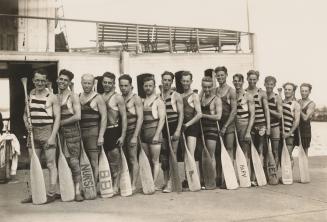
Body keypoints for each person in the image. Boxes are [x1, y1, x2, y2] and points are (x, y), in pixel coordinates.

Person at [21, 69, 60, 203]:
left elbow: (57, 118)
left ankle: (51, 193)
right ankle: (35, 193)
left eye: (42, 80)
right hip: (33, 133)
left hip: (47, 132)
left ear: (46, 81)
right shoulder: (30, 95)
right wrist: (27, 124)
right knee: (33, 164)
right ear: (33, 81)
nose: (40, 83)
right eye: (37, 80)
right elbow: (25, 115)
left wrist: (52, 136)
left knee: (50, 164)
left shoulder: (52, 97)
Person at [57, 69, 83, 201]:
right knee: (61, 161)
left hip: (72, 132)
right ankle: (65, 189)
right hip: (58, 134)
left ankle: (78, 190)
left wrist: (60, 123)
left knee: (73, 161)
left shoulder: (73, 96)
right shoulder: (55, 96)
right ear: (57, 79)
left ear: (69, 82)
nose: (62, 82)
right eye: (61, 79)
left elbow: (78, 116)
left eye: (65, 80)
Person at [101, 72, 127, 195]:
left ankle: (116, 186)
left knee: (114, 161)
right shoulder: (100, 96)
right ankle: (109, 185)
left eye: (109, 83)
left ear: (113, 84)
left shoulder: (117, 97)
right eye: (105, 82)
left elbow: (124, 118)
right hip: (102, 131)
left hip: (113, 130)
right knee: (105, 160)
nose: (107, 85)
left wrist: (122, 135)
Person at [79, 74, 107, 184]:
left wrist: (101, 136)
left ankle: (94, 185)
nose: (86, 85)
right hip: (81, 132)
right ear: (81, 83)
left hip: (93, 132)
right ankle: (87, 185)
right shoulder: (78, 96)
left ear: (93, 84)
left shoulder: (98, 97)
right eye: (84, 83)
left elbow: (104, 117)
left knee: (94, 160)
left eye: (89, 83)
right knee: (83, 160)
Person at [160, 71, 184, 193]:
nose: (167, 82)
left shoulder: (176, 95)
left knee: (172, 155)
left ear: (172, 81)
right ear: (161, 80)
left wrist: (178, 130)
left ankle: (171, 182)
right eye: (165, 80)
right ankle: (165, 181)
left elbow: (181, 114)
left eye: (169, 80)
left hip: (173, 126)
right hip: (162, 128)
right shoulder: (158, 96)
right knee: (164, 156)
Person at [119, 74, 143, 193]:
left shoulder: (135, 98)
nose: (123, 88)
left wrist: (135, 136)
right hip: (122, 132)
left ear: (131, 86)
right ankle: (126, 182)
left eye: (126, 85)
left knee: (133, 158)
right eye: (121, 86)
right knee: (124, 159)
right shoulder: (119, 98)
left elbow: (140, 118)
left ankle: (133, 184)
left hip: (133, 131)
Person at [140, 75, 166, 190]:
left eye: (150, 86)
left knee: (155, 160)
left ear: (154, 86)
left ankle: (153, 184)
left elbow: (162, 119)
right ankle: (149, 182)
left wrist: (156, 135)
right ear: (143, 87)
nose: (148, 88)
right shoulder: (142, 101)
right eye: (146, 86)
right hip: (144, 133)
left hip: (155, 132)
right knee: (147, 160)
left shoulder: (158, 101)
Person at [245, 70, 270, 185]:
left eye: (254, 79)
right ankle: (252, 177)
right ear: (247, 79)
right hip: (250, 126)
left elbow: (266, 111)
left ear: (257, 80)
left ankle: (259, 177)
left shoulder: (262, 93)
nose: (252, 81)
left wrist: (268, 127)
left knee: (260, 151)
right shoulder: (244, 92)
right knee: (251, 152)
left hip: (261, 126)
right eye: (250, 79)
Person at [213, 66, 236, 187]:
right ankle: (219, 177)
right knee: (218, 152)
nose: (220, 77)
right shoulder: (215, 91)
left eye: (222, 75)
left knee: (228, 150)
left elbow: (233, 111)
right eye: (218, 75)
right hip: (217, 124)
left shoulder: (231, 91)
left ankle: (229, 178)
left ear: (226, 75)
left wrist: (225, 127)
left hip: (229, 125)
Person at [180, 71, 202, 188]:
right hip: (183, 128)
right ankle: (187, 178)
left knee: (190, 154)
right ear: (180, 81)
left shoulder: (194, 96)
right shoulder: (179, 96)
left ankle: (193, 178)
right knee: (185, 154)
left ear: (191, 82)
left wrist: (187, 125)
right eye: (183, 81)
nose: (185, 83)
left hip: (192, 128)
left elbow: (199, 114)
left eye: (187, 81)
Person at [200, 76, 222, 188]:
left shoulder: (216, 99)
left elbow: (218, 116)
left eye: (209, 87)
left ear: (212, 87)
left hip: (212, 130)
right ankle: (204, 180)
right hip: (201, 129)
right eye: (204, 87)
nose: (207, 89)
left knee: (211, 156)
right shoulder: (201, 98)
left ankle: (211, 181)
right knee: (203, 156)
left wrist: (203, 115)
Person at [233, 73, 255, 178]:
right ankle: (236, 177)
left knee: (245, 152)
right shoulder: (232, 94)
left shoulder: (248, 96)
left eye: (239, 81)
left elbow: (252, 115)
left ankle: (245, 177)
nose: (237, 83)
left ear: (242, 82)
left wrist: (248, 131)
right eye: (235, 81)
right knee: (234, 152)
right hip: (233, 125)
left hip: (244, 124)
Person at [264, 76, 283, 167]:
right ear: (264, 84)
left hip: (275, 127)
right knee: (265, 151)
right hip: (263, 127)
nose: (269, 86)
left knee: (275, 150)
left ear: (274, 85)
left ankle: (274, 171)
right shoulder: (262, 95)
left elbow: (280, 115)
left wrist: (267, 109)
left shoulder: (277, 97)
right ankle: (266, 172)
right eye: (267, 84)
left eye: (271, 84)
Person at [281, 83, 301, 167]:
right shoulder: (281, 102)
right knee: (281, 156)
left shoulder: (295, 104)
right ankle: (284, 176)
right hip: (280, 133)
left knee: (288, 155)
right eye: (285, 89)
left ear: (293, 92)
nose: (287, 91)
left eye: (289, 90)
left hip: (290, 134)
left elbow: (296, 121)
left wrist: (289, 133)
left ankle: (289, 177)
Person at [298, 83, 316, 155]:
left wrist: (299, 109)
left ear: (309, 92)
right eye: (302, 91)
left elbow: (305, 118)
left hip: (305, 130)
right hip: (296, 129)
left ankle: (305, 166)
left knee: (304, 153)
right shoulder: (298, 101)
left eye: (306, 91)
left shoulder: (311, 104)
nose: (303, 93)